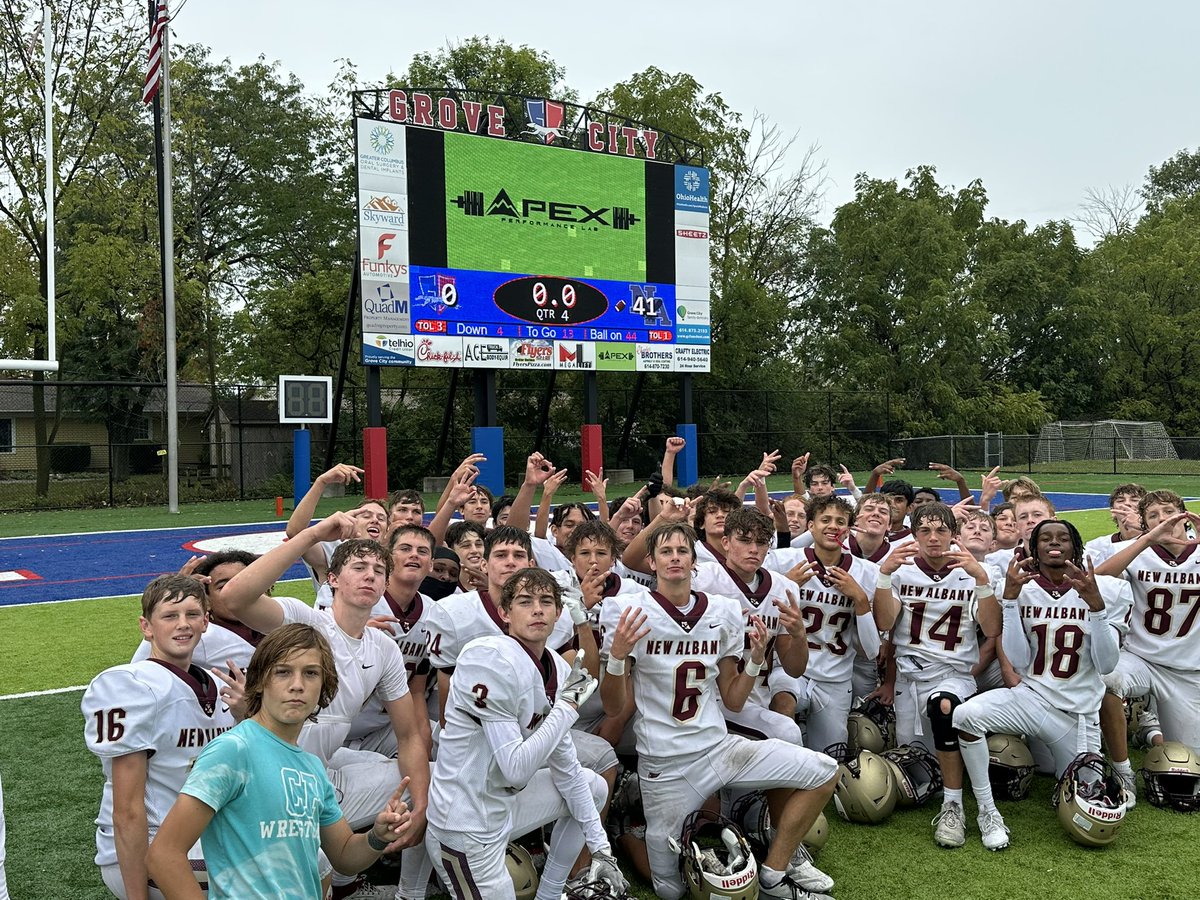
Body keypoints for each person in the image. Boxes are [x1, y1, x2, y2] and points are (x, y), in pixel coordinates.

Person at [601, 521, 838, 900]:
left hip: (718, 747)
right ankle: (627, 830)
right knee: (670, 891)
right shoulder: (629, 611)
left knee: (825, 771)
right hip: (665, 764)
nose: (675, 558)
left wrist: (755, 661)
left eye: (682, 551)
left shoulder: (723, 611)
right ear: (652, 561)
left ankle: (775, 873)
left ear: (694, 561)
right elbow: (614, 706)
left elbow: (733, 700)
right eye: (666, 551)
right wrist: (616, 657)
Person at [218, 513, 430, 898]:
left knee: (423, 778)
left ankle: (353, 875)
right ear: (332, 578)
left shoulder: (383, 648)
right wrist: (312, 534)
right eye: (358, 567)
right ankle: (332, 865)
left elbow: (410, 735)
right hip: (267, 775)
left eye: (378, 570)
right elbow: (235, 596)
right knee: (309, 865)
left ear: (386, 584)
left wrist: (421, 809)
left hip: (318, 770)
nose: (369, 576)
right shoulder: (306, 623)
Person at [146, 624, 414, 899]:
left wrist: (377, 837)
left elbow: (344, 856)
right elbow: (164, 854)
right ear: (260, 680)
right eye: (283, 672)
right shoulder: (232, 750)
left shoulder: (312, 767)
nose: (297, 685)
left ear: (325, 685)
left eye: (311, 673)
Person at [427, 568, 624, 900]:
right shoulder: (486, 658)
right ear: (504, 613)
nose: (537, 610)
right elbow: (514, 768)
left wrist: (601, 848)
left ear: (558, 613)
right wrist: (567, 706)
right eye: (525, 601)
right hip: (466, 822)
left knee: (592, 786)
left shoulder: (558, 668)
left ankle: (551, 893)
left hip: (502, 803)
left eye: (546, 601)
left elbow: (567, 769)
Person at [953, 520, 1130, 849]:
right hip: (1031, 697)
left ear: (1076, 548)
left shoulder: (1107, 588)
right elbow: (1019, 659)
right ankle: (987, 812)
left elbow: (1107, 665)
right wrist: (1009, 601)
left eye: (1063, 538)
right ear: (1033, 549)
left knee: (1088, 811)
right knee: (965, 716)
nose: (1054, 542)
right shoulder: (1023, 587)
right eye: (1045, 538)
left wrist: (1096, 607)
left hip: (1076, 714)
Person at [82, 574, 238, 900]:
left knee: (308, 855)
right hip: (153, 841)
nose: (183, 624)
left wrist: (250, 716)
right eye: (169, 616)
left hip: (201, 833)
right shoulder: (131, 686)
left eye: (192, 614)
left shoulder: (221, 684)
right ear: (147, 627)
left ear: (206, 622)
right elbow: (127, 812)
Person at [872, 502, 999, 850]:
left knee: (943, 707)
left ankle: (957, 807)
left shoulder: (974, 571)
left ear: (953, 534)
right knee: (917, 772)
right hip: (910, 679)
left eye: (941, 530)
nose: (933, 538)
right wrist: (883, 576)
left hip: (953, 674)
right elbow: (884, 622)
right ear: (913, 535)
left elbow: (992, 628)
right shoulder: (900, 571)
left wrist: (982, 580)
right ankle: (955, 789)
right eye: (924, 530)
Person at [1096, 491, 1200, 802]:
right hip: (1139, 657)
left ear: (1184, 515)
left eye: (1168, 511)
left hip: (1187, 669)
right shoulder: (1135, 551)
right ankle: (1122, 770)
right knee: (1107, 680)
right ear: (1144, 524)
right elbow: (1096, 580)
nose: (1162, 519)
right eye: (1153, 515)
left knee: (1189, 762)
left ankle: (1145, 729)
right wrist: (1143, 541)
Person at [769, 496, 881, 752]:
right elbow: (761, 613)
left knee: (832, 756)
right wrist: (784, 585)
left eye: (840, 521)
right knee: (782, 708)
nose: (833, 526)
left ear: (848, 530)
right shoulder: (782, 561)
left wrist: (860, 599)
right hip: (789, 670)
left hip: (835, 677)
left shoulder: (866, 572)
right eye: (825, 520)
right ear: (811, 526)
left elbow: (871, 651)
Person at [132, 551, 264, 671]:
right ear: (206, 600)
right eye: (223, 587)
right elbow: (140, 668)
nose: (236, 592)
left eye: (244, 584)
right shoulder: (198, 634)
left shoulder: (275, 617)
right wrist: (172, 594)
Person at [1084, 483, 1146, 566]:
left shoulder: (1158, 543)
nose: (1127, 503)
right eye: (1120, 501)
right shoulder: (1096, 547)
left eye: (1134, 500)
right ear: (1112, 512)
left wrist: (1141, 525)